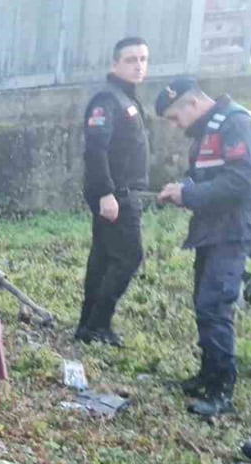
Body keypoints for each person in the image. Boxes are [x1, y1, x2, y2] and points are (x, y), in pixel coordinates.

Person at [156, 78, 251, 417]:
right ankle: (206, 376)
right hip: (211, 230)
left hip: (233, 230)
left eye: (175, 117)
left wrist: (188, 194)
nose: (175, 126)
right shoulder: (210, 130)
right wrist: (183, 187)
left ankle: (221, 391)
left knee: (214, 305)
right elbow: (205, 176)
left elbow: (241, 181)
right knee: (203, 304)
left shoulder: (236, 123)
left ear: (192, 103)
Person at [76, 37, 150, 347]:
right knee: (129, 256)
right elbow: (96, 149)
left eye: (143, 59)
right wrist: (106, 193)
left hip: (122, 193)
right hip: (116, 195)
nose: (138, 65)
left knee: (104, 259)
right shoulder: (108, 100)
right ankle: (98, 325)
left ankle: (87, 326)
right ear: (115, 64)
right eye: (131, 59)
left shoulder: (126, 99)